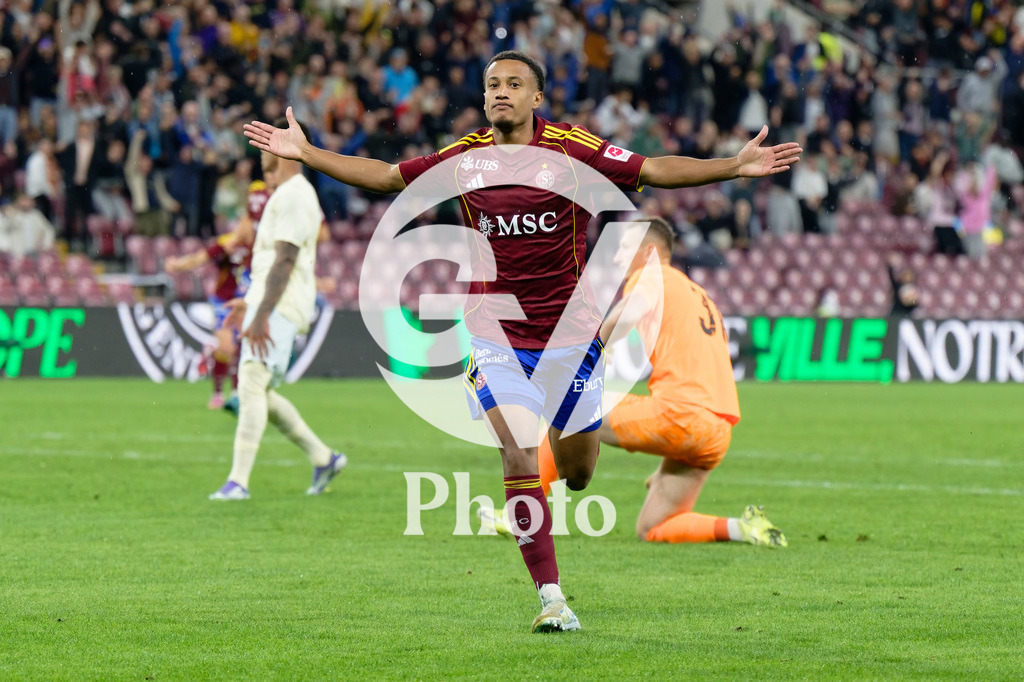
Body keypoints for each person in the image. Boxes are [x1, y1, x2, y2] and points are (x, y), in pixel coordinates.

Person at [243, 50, 800, 632]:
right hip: (494, 337)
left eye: (514, 84)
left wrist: (733, 166)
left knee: (579, 473)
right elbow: (386, 177)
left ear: (537, 97)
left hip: (570, 339)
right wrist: (306, 153)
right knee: (517, 454)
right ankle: (552, 598)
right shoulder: (463, 159)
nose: (501, 92)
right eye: (492, 84)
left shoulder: (569, 150)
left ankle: (564, 501)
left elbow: (654, 169)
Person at [480, 219, 786, 547]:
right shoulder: (697, 293)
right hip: (717, 430)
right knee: (653, 526)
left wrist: (594, 349)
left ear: (649, 252)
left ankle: (522, 516)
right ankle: (743, 528)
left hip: (681, 414)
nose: (616, 258)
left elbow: (628, 313)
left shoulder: (652, 275)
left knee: (567, 405)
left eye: (624, 248)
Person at [209, 116, 346, 501]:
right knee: (260, 391)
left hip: (281, 306)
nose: (261, 158)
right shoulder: (288, 195)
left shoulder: (293, 195)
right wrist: (250, 301)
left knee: (250, 382)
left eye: (267, 150)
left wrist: (263, 313)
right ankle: (324, 458)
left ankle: (238, 481)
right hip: (273, 302)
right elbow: (274, 260)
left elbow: (285, 260)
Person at [165, 177, 269, 409]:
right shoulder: (226, 244)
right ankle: (218, 392)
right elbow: (199, 259)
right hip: (224, 300)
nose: (247, 227)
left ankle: (237, 393)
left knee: (243, 349)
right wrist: (177, 265)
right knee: (227, 348)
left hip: (248, 301)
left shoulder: (263, 244)